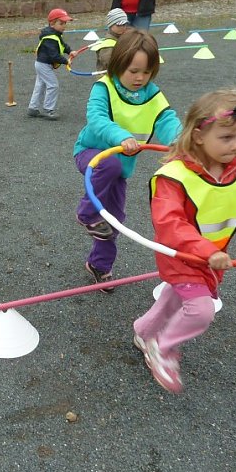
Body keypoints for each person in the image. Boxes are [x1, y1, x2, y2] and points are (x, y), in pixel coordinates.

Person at [133, 89, 236, 393]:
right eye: (227, 138)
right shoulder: (173, 177)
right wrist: (206, 250)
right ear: (199, 135)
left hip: (213, 258)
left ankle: (144, 331)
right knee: (201, 309)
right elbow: (169, 224)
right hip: (181, 256)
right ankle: (162, 348)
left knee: (176, 296)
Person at [73, 29, 181, 291]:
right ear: (119, 63)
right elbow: (97, 119)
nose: (140, 78)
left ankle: (100, 265)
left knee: (114, 219)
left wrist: (181, 143)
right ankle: (86, 213)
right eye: (134, 71)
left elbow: (167, 120)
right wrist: (121, 137)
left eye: (147, 72)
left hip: (120, 168)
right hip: (91, 154)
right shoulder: (104, 88)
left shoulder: (153, 95)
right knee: (108, 164)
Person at [28, 7, 75, 121]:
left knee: (40, 85)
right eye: (61, 23)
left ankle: (33, 108)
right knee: (53, 85)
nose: (64, 25)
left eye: (65, 23)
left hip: (43, 64)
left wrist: (70, 51)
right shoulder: (50, 38)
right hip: (43, 65)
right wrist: (66, 61)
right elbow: (54, 55)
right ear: (52, 23)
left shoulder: (56, 34)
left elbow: (62, 45)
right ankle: (49, 109)